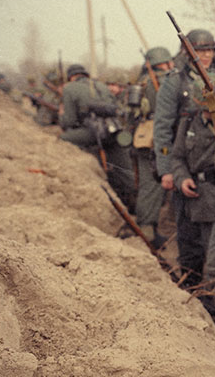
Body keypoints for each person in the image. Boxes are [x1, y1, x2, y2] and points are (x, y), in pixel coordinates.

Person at [155, 30, 215, 290]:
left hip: (213, 164)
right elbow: (163, 127)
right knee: (187, 234)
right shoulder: (174, 81)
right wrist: (166, 169)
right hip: (183, 161)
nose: (206, 55)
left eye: (209, 50)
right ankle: (190, 284)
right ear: (188, 53)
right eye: (200, 50)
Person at [60, 63, 135, 210]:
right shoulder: (101, 85)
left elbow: (69, 121)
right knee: (125, 171)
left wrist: (61, 116)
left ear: (71, 77)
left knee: (63, 139)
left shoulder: (69, 88)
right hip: (114, 130)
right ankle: (134, 202)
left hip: (94, 133)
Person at [130, 46, 173, 246]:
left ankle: (149, 228)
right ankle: (147, 230)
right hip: (161, 137)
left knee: (149, 183)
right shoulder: (167, 81)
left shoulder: (141, 83)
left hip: (143, 136)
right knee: (153, 186)